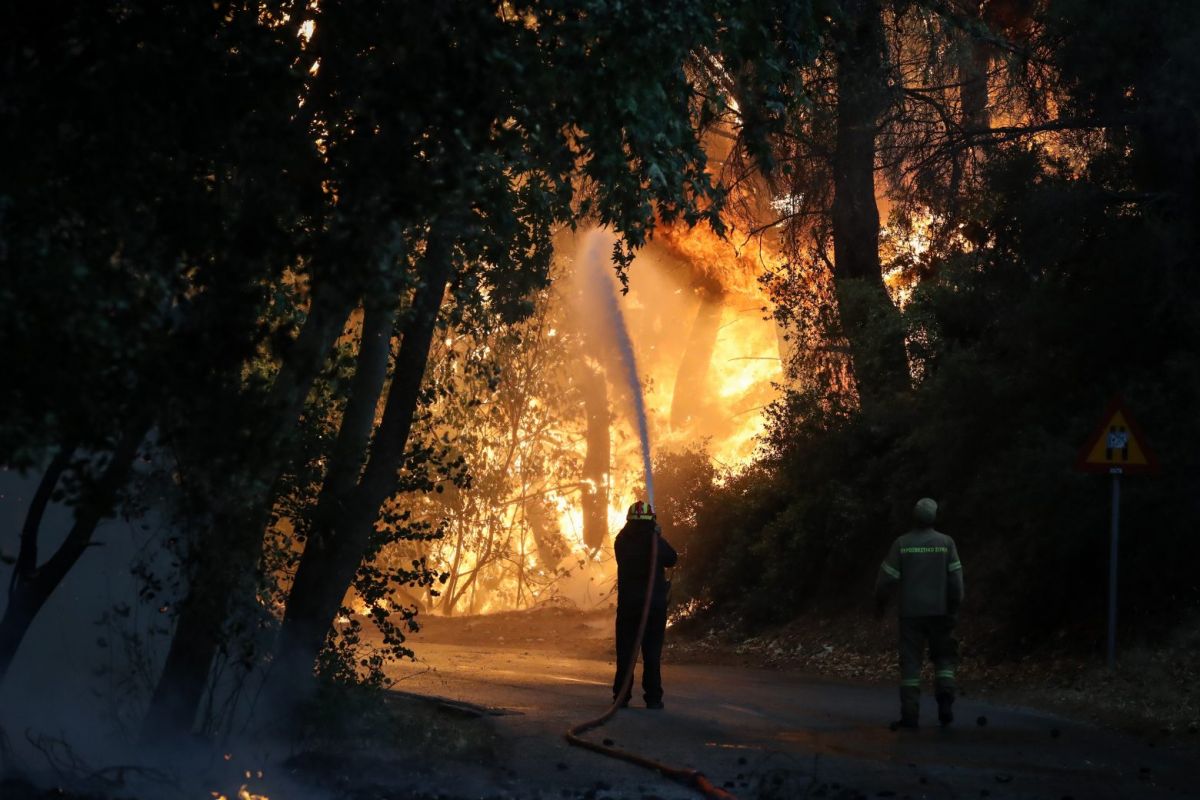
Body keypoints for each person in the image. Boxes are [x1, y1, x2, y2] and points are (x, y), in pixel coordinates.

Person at [875, 497, 964, 729]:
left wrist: (880, 604)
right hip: (941, 613)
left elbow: (886, 580)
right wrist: (953, 607)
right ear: (935, 517)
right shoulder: (947, 543)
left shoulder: (902, 544)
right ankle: (945, 702)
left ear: (913, 517)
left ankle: (910, 715)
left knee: (911, 666)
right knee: (944, 660)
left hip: (911, 615)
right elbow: (956, 582)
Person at [612, 500, 677, 709]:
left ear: (628, 520)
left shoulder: (621, 541)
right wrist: (657, 536)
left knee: (625, 654)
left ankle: (621, 697)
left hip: (629, 608)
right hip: (653, 608)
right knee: (652, 655)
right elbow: (672, 559)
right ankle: (653, 698)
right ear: (652, 521)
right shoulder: (654, 541)